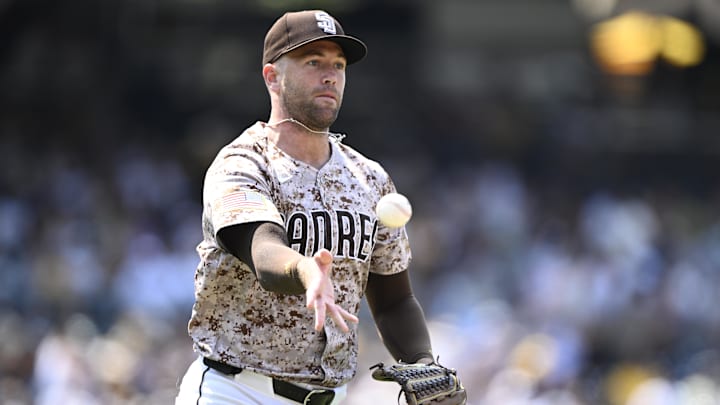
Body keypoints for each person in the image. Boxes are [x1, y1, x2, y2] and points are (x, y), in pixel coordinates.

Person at [175, 9, 450, 404]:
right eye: (313, 62)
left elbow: (394, 301)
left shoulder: (369, 179)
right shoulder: (243, 163)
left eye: (338, 65)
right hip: (235, 390)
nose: (330, 75)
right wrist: (305, 269)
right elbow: (263, 250)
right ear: (272, 76)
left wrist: (422, 361)